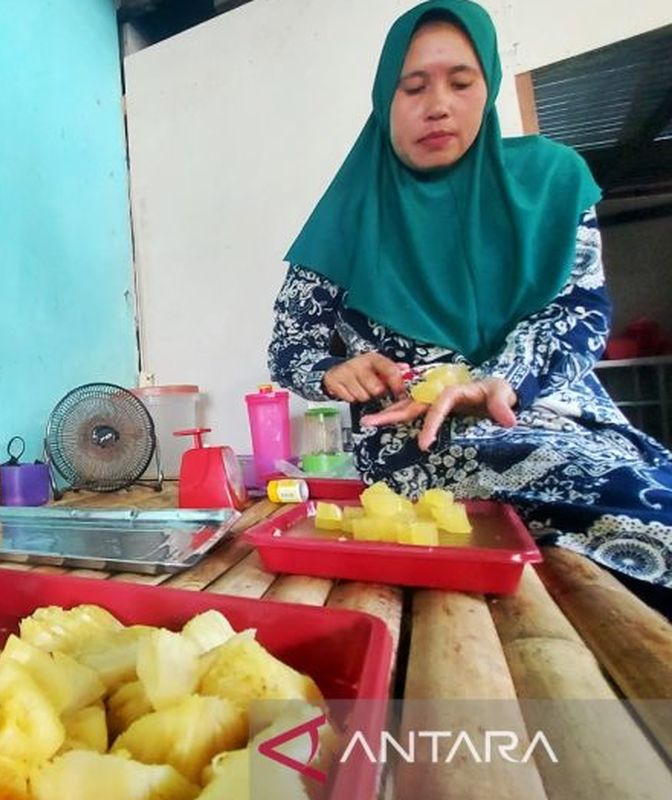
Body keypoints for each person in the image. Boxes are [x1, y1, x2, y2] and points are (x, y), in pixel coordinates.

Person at [267, 0, 672, 607]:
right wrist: (329, 371)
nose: (438, 106)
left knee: (645, 499)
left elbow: (581, 312)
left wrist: (502, 381)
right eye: (413, 88)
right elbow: (288, 348)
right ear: (385, 100)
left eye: (462, 82)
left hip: (553, 416)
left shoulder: (551, 183)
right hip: (419, 446)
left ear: (488, 88)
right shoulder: (346, 216)